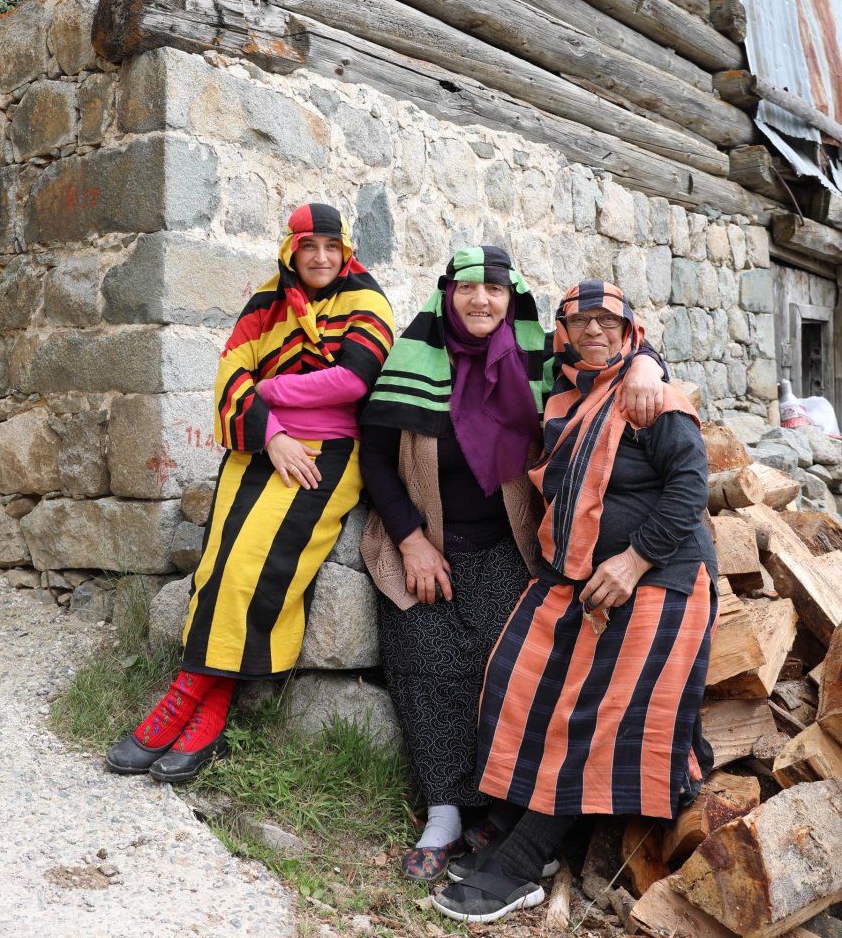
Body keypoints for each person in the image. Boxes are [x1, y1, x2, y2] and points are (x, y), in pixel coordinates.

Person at [358, 250, 667, 883]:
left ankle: (498, 814)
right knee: (423, 658)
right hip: (427, 544)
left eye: (494, 291)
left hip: (512, 546)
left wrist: (648, 362)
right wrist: (411, 538)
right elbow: (377, 460)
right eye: (467, 289)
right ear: (447, 295)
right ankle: (444, 814)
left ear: (512, 298)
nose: (481, 301)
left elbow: (605, 350)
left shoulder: (536, 362)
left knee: (509, 670)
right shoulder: (414, 359)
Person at [432, 279, 718, 923]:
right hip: (585, 580)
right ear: (563, 332)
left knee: (592, 715)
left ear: (629, 332)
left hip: (660, 579)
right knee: (518, 682)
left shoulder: (651, 395)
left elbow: (690, 487)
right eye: (581, 321)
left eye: (608, 323)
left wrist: (635, 557)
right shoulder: (564, 397)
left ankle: (520, 865)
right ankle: (516, 843)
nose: (594, 331)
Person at [105, 203, 394, 784]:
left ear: (345, 252)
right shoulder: (264, 304)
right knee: (217, 567)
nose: (320, 258)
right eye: (309, 247)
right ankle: (197, 707)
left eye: (330, 248)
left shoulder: (367, 301)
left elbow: (354, 380)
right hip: (257, 449)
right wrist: (272, 433)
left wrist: (271, 394)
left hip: (327, 457)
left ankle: (192, 706)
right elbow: (229, 374)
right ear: (291, 250)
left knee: (254, 573)